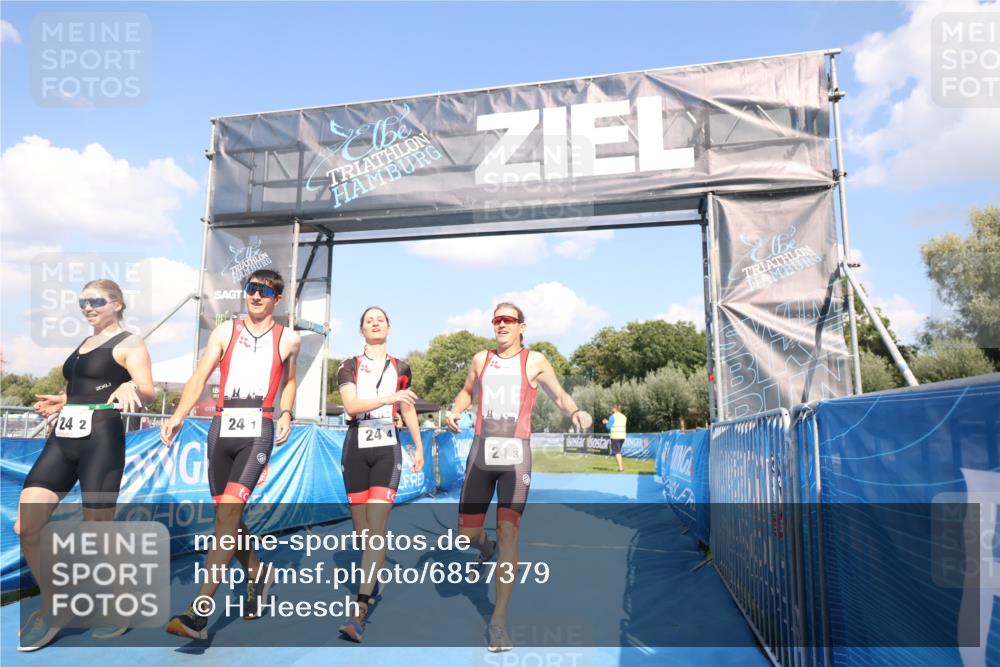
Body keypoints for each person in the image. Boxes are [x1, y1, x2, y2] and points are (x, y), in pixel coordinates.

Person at [161, 269, 300, 640]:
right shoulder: (225, 332)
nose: (255, 296)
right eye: (251, 289)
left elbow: (289, 382)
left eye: (264, 291)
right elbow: (200, 376)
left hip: (258, 429)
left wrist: (286, 412)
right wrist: (178, 415)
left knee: (228, 514)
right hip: (221, 428)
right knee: (228, 518)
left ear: (278, 299)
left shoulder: (289, 339)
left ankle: (199, 612)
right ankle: (257, 571)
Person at [17, 279, 155, 651]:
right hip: (63, 439)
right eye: (82, 303)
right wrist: (63, 401)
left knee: (99, 531)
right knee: (26, 526)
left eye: (95, 301)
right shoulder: (85, 344)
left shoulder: (129, 342)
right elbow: (90, 387)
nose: (87, 308)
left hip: (101, 441)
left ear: (118, 304)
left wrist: (132, 389)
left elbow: (147, 389)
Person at [446, 302, 592, 652]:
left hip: (515, 456)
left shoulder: (535, 360)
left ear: (521, 326)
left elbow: (558, 394)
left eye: (508, 320)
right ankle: (486, 548)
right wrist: (455, 409)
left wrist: (575, 411)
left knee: (510, 530)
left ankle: (498, 620)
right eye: (496, 319)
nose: (501, 324)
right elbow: (468, 391)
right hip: (481, 453)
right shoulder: (481, 359)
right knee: (467, 535)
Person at [336, 307, 423, 642]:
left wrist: (416, 446)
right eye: (369, 319)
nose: (375, 322)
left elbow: (407, 407)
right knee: (363, 534)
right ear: (361, 329)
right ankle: (373, 575)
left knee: (376, 528)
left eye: (381, 319)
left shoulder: (401, 367)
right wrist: (390, 397)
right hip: (356, 448)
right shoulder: (348, 365)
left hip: (388, 449)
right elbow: (352, 406)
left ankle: (359, 611)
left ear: (389, 327)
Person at [602, 403, 627, 472]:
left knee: (617, 452)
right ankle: (621, 467)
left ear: (614, 409)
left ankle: (621, 468)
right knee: (618, 452)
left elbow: (608, 427)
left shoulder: (613, 416)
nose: (611, 409)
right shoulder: (624, 416)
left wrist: (606, 422)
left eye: (612, 408)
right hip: (623, 436)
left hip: (615, 436)